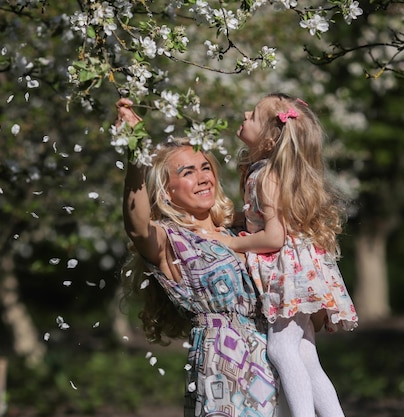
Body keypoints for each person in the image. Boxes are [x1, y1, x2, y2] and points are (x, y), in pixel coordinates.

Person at [114, 98, 281, 417]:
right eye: (188, 172)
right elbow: (136, 226)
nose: (203, 177)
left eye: (206, 167)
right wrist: (135, 154)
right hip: (221, 365)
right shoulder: (170, 241)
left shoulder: (242, 230)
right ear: (167, 190)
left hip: (270, 358)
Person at [215, 92, 358, 417]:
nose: (245, 113)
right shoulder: (269, 172)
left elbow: (274, 235)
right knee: (305, 355)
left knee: (281, 349)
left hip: (288, 274)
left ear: (268, 139)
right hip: (301, 268)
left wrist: (234, 243)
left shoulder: (265, 177)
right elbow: (269, 219)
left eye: (253, 115)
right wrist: (238, 219)